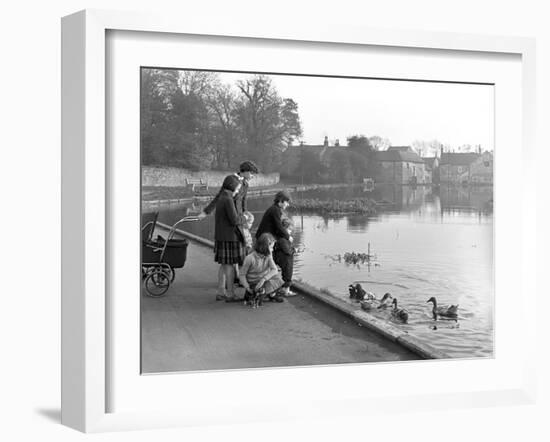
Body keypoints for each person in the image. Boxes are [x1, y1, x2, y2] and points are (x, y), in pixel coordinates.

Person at [213, 175, 246, 302]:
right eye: (237, 188)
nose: (238, 190)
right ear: (232, 186)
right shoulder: (227, 199)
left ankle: (221, 292)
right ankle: (230, 293)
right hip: (229, 237)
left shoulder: (223, 196)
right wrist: (246, 218)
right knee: (230, 265)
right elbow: (235, 220)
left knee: (224, 265)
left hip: (222, 236)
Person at [238, 233, 285, 303]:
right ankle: (251, 293)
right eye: (271, 247)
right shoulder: (250, 258)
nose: (272, 250)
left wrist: (263, 279)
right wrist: (247, 287)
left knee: (278, 277)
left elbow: (274, 269)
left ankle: (271, 295)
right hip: (253, 282)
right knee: (257, 297)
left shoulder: (268, 255)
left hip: (262, 280)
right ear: (264, 247)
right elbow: (242, 275)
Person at [273, 217, 297, 297]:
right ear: (285, 229)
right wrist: (294, 250)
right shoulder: (283, 239)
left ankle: (282, 289)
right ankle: (287, 291)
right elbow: (287, 251)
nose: (291, 231)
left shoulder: (279, 237)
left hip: (282, 258)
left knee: (285, 274)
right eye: (289, 229)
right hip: (286, 259)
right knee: (288, 274)